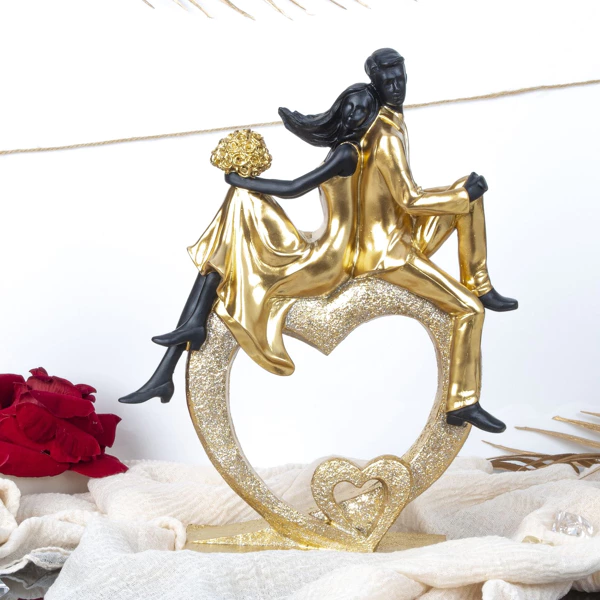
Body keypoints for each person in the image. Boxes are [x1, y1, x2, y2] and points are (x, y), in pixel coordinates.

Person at [119, 83, 379, 404]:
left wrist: (240, 179)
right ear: (340, 107)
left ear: (372, 116)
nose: (354, 114)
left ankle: (183, 341)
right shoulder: (343, 146)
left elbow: (295, 187)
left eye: (363, 110)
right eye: (350, 106)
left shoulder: (348, 152)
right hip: (322, 244)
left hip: (330, 257)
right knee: (230, 240)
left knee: (241, 200)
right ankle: (172, 360)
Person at [356, 48, 517, 433]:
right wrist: (460, 197)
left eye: (401, 79)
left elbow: (405, 198)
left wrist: (461, 195)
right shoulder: (384, 134)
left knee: (466, 193)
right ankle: (462, 402)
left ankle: (479, 283)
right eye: (388, 82)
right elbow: (410, 199)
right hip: (388, 254)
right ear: (375, 84)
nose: (397, 87)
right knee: (468, 311)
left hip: (403, 233)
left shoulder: (393, 120)